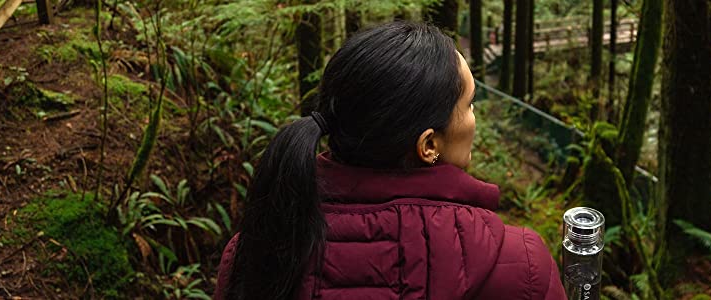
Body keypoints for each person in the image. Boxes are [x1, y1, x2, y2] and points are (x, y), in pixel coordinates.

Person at [214, 21, 567, 300]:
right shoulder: (524, 266)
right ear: (428, 144)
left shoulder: (255, 254)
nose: (475, 116)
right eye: (470, 103)